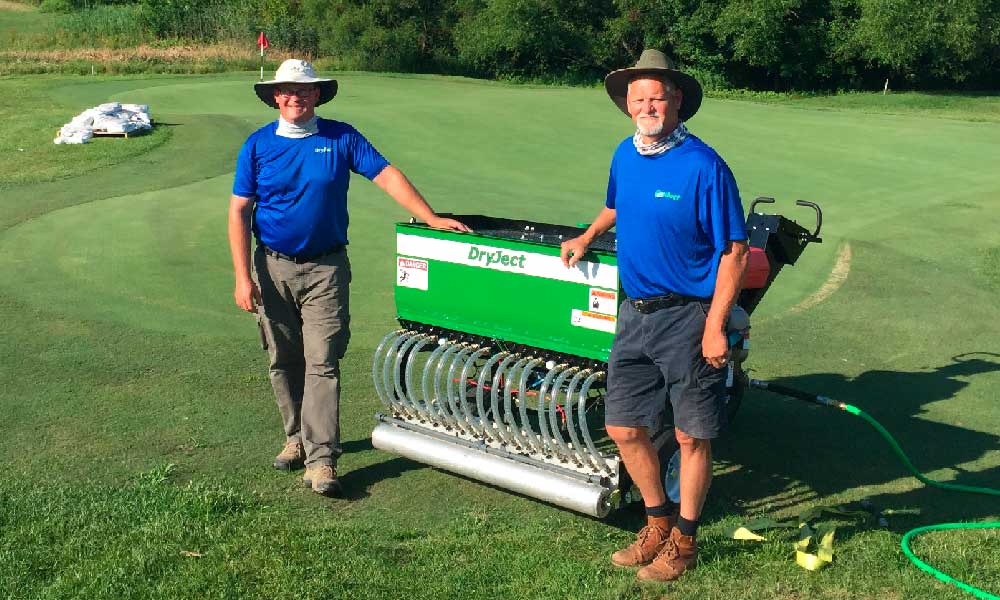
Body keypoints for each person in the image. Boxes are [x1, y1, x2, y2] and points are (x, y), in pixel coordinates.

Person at [228, 59, 469, 497]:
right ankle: (295, 438)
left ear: (317, 94)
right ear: (276, 97)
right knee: (283, 359)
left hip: (326, 268)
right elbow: (239, 211)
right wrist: (242, 277)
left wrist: (428, 217)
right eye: (287, 90)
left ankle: (322, 460)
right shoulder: (257, 146)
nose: (295, 96)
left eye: (305, 90)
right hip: (272, 266)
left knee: (322, 360)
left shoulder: (341, 137)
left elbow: (386, 174)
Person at [560, 49, 748, 582]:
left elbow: (733, 250)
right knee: (622, 426)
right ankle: (658, 522)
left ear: (678, 102)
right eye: (637, 98)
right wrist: (589, 234)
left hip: (689, 317)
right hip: (635, 314)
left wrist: (716, 325)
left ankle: (685, 542)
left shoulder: (704, 165)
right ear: (627, 105)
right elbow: (617, 205)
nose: (647, 106)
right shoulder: (625, 153)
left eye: (657, 97)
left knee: (691, 435)